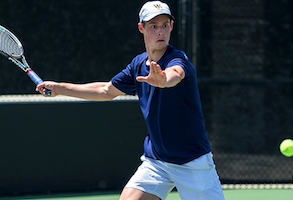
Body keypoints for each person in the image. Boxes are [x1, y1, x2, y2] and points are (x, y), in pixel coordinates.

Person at [36, 1, 225, 200]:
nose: (160, 31)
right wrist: (60, 88)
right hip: (157, 160)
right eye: (153, 26)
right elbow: (106, 90)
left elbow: (175, 74)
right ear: (141, 28)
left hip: (192, 161)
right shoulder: (137, 64)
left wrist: (164, 80)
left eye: (164, 25)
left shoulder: (177, 59)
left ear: (171, 26)